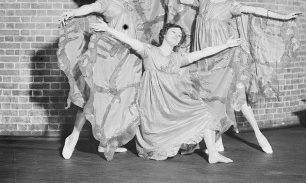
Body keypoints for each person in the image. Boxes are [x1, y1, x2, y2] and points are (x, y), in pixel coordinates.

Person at [172, 0, 302, 154]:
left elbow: (254, 10)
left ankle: (258, 134)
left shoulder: (231, 6)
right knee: (207, 97)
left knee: (235, 95)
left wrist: (282, 16)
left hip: (223, 57)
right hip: (202, 57)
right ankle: (216, 140)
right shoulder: (203, 0)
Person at [58, 0, 175, 160]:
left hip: (131, 53)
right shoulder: (103, 2)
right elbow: (87, 8)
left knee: (126, 97)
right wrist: (72, 13)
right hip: (112, 55)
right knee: (97, 97)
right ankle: (73, 136)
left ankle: (107, 142)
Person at [90, 21, 243, 163]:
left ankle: (213, 154)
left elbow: (203, 53)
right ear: (164, 34)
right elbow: (129, 40)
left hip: (175, 101)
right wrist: (108, 29)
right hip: (153, 105)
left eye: (180, 35)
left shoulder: (178, 58)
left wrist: (226, 45)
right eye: (173, 32)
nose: (177, 36)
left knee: (206, 113)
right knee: (157, 147)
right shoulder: (149, 51)